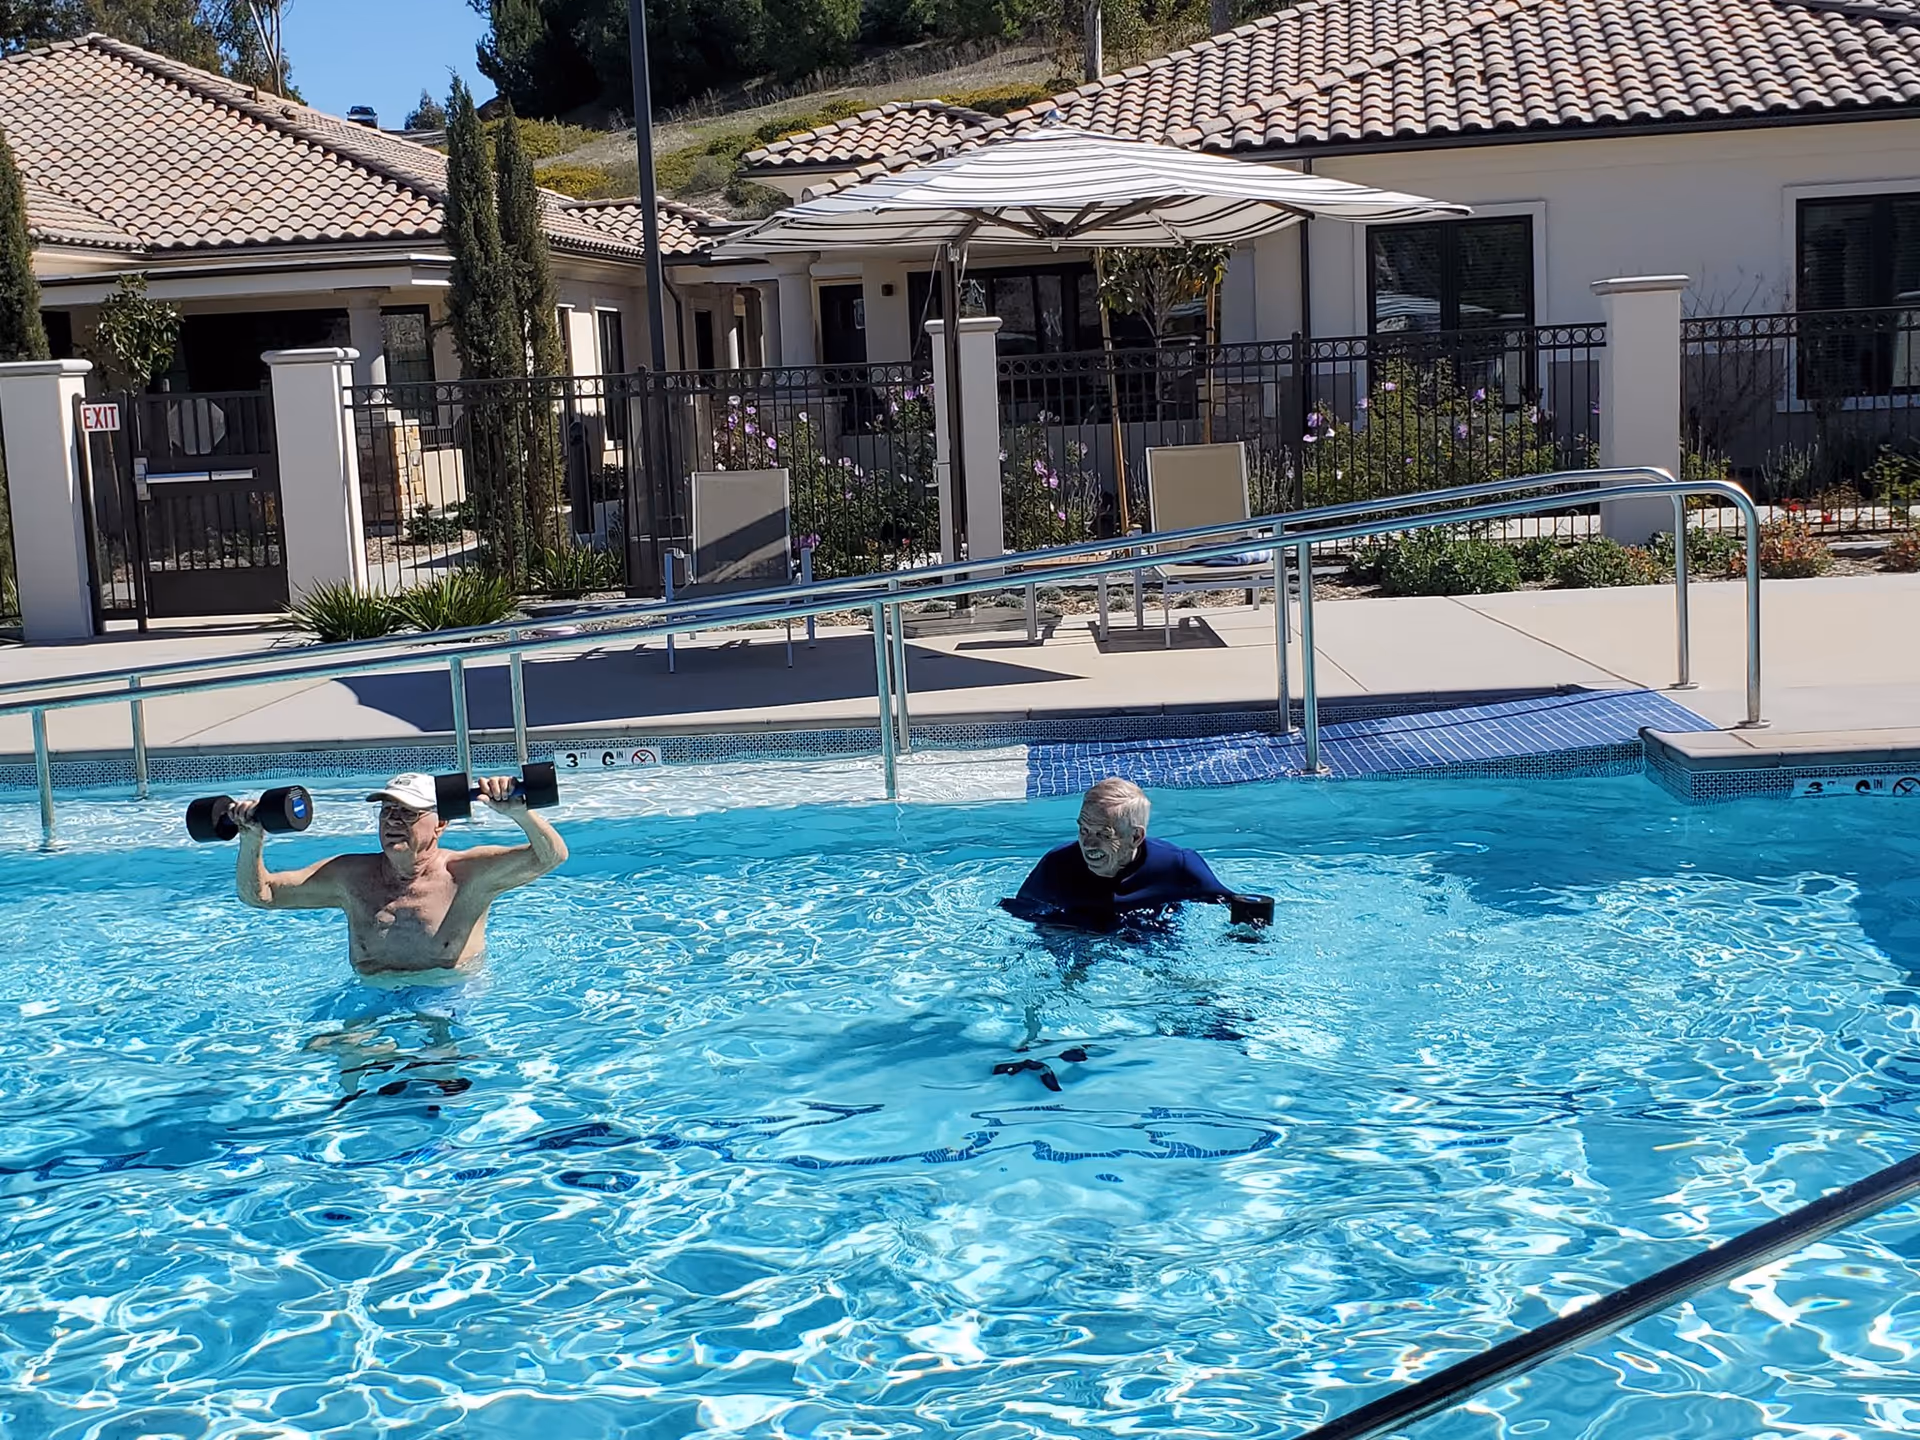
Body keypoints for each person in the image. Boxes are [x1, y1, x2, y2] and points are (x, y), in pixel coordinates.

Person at [232, 772, 568, 987]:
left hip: (446, 993)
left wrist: (519, 813)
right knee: (333, 1052)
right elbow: (261, 895)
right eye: (387, 811)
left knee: (436, 1068)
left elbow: (551, 856)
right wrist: (251, 838)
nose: (393, 821)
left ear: (440, 825)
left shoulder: (467, 875)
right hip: (370, 993)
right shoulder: (349, 877)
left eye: (407, 813)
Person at [1002, 777, 1266, 932]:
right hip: (1081, 936)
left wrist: (1244, 941)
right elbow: (1021, 913)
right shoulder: (1057, 866)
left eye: (1104, 834)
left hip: (1153, 939)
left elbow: (1242, 904)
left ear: (1136, 836)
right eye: (1084, 830)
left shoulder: (1176, 865)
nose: (1089, 844)